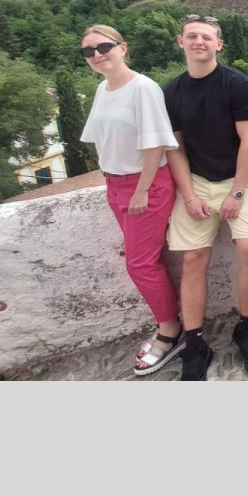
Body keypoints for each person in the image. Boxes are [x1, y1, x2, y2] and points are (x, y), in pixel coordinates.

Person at [163, 14, 248, 380]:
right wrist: (189, 194)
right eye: (192, 36)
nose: (199, 42)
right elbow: (175, 148)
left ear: (218, 45)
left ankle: (245, 326)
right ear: (181, 42)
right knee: (193, 259)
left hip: (239, 179)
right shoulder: (171, 92)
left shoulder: (237, 85)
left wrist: (237, 192)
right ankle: (195, 343)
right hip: (195, 182)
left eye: (206, 37)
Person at [78, 25, 181, 377]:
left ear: (122, 47)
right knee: (148, 259)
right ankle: (169, 321)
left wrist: (142, 189)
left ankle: (170, 330)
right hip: (116, 184)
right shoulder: (103, 89)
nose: (96, 55)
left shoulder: (143, 88)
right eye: (88, 51)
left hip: (144, 185)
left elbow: (156, 143)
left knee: (139, 264)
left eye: (103, 47)